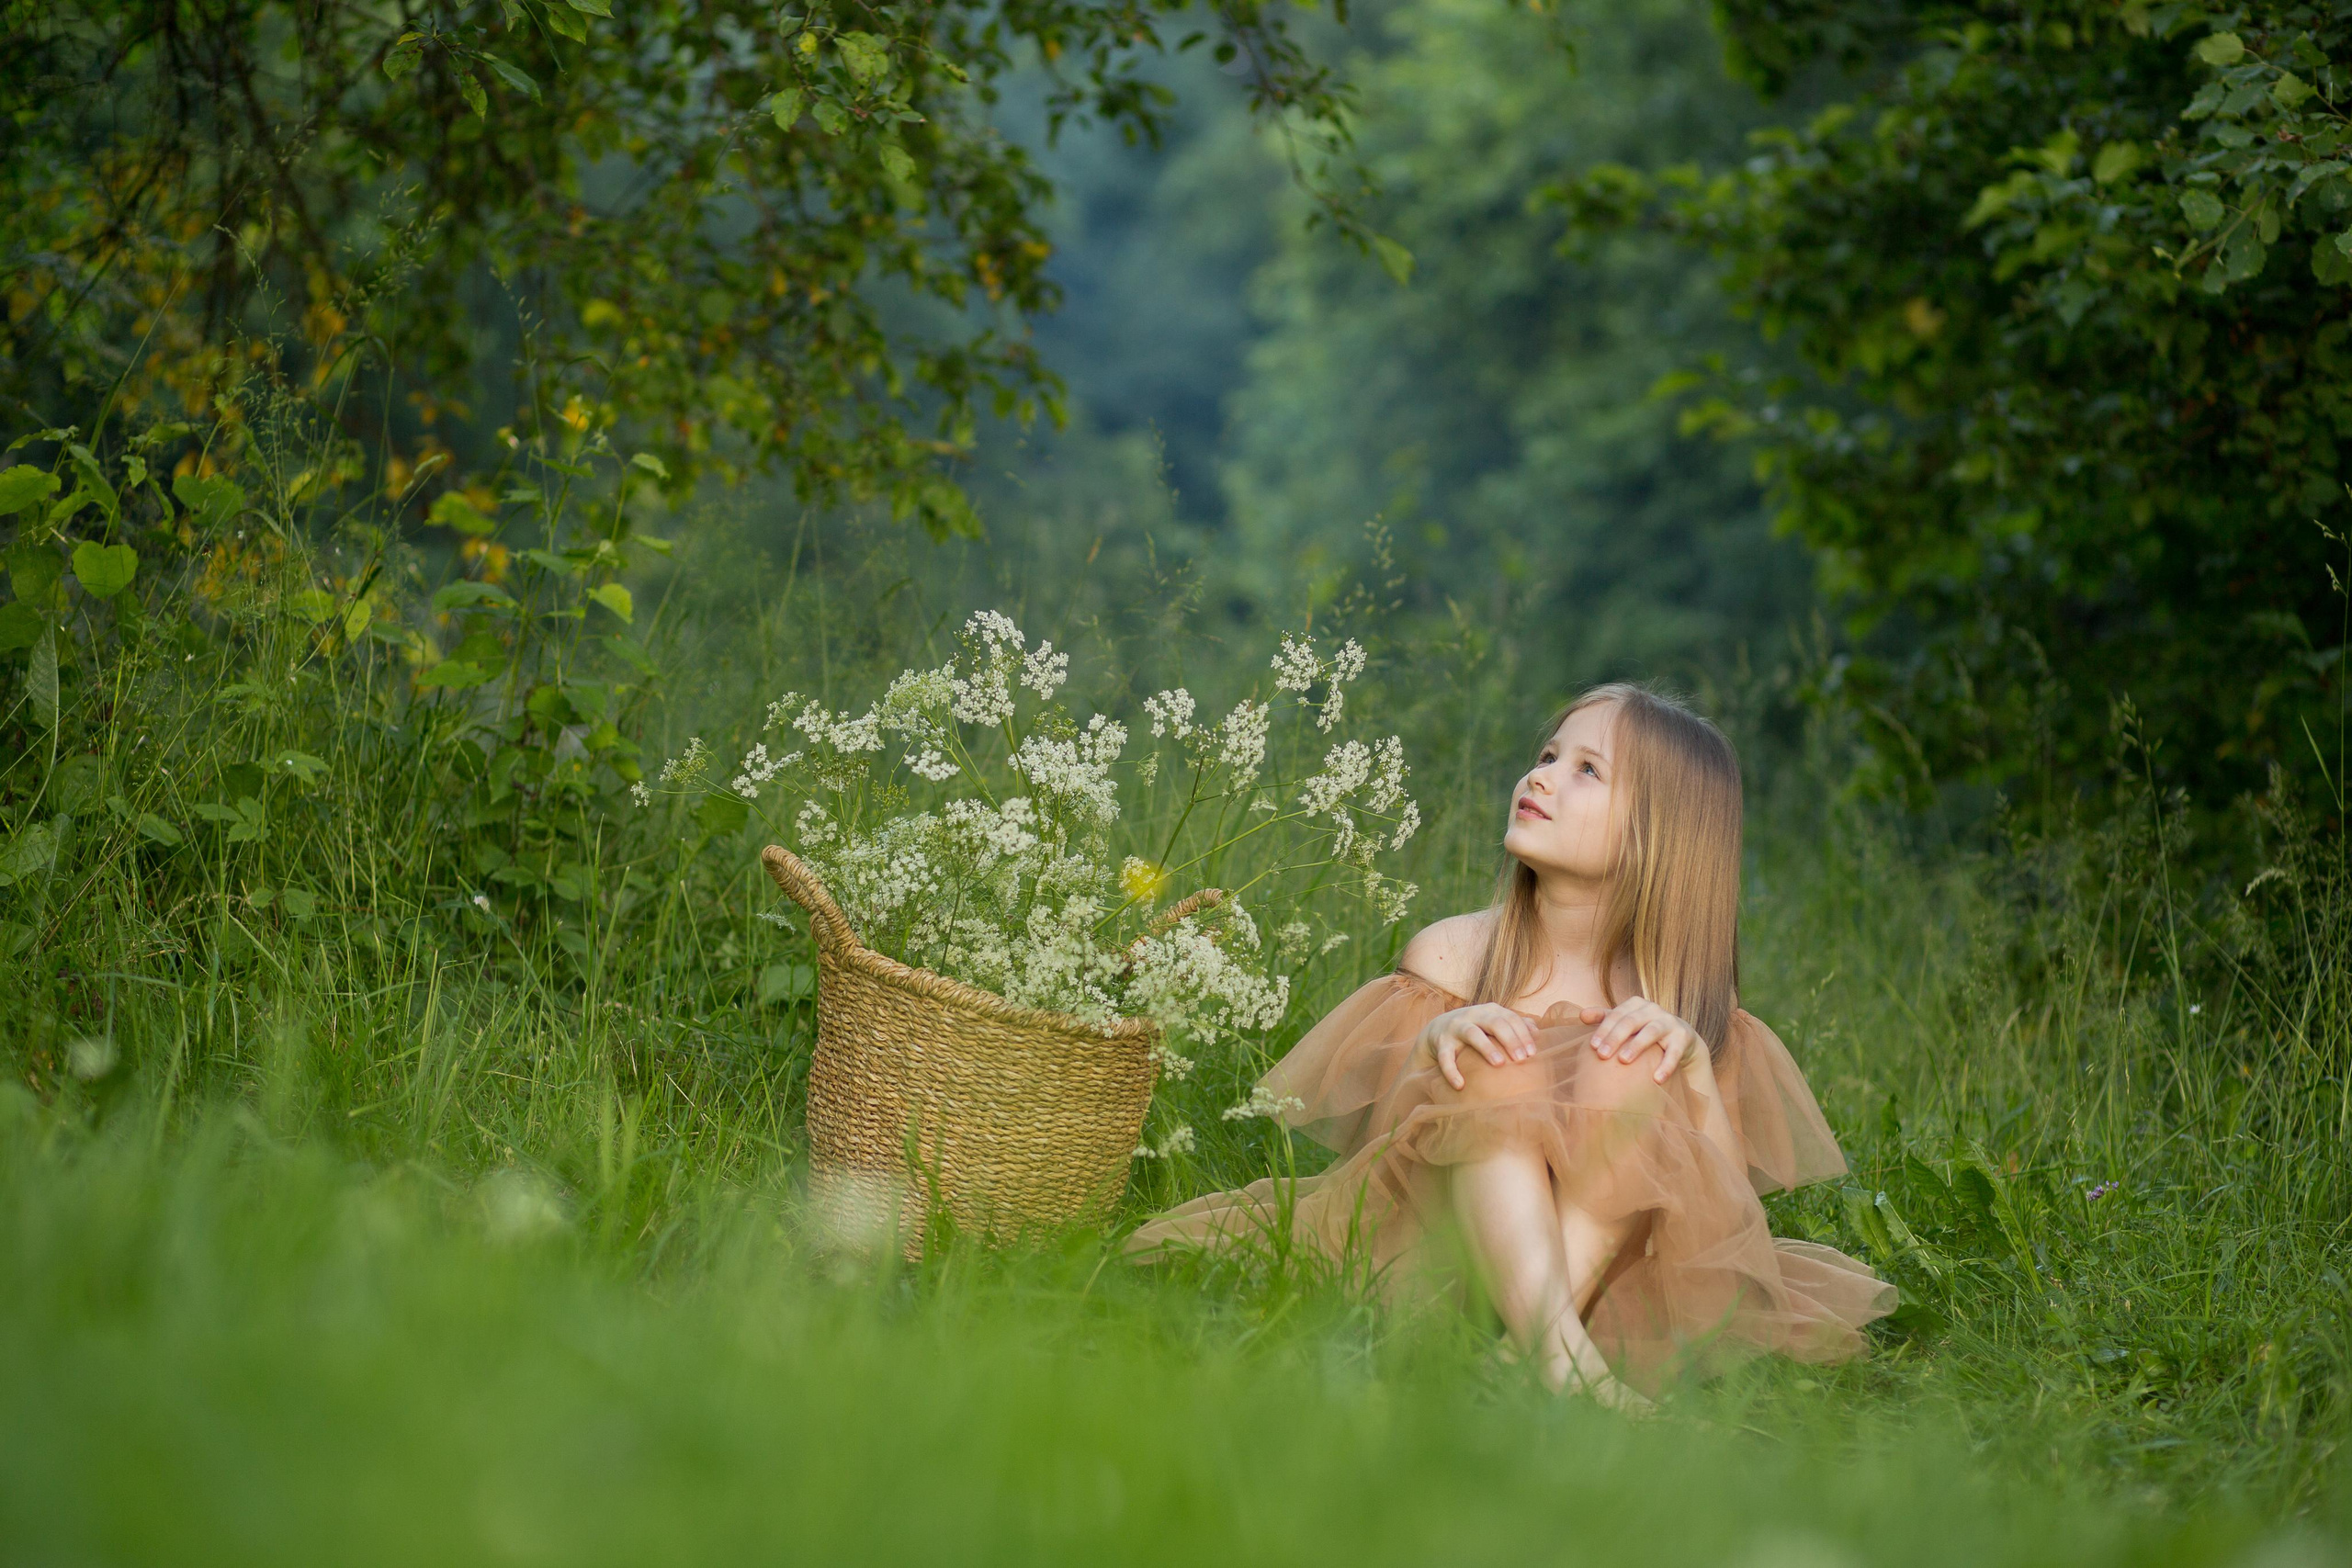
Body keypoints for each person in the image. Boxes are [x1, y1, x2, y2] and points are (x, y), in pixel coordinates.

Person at [1125, 683, 1895, 1408]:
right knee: (1494, 1053)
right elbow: (1388, 1159)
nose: (1543, 776)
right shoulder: (1452, 960)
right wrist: (1433, 1045)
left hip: (1615, 1296)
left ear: (1660, 833)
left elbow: (1724, 1229)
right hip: (1439, 1261)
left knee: (1630, 1061)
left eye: (1587, 769)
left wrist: (1692, 1072)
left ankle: (1536, 1351)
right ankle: (1562, 1365)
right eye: (1550, 754)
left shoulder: (1688, 1012)